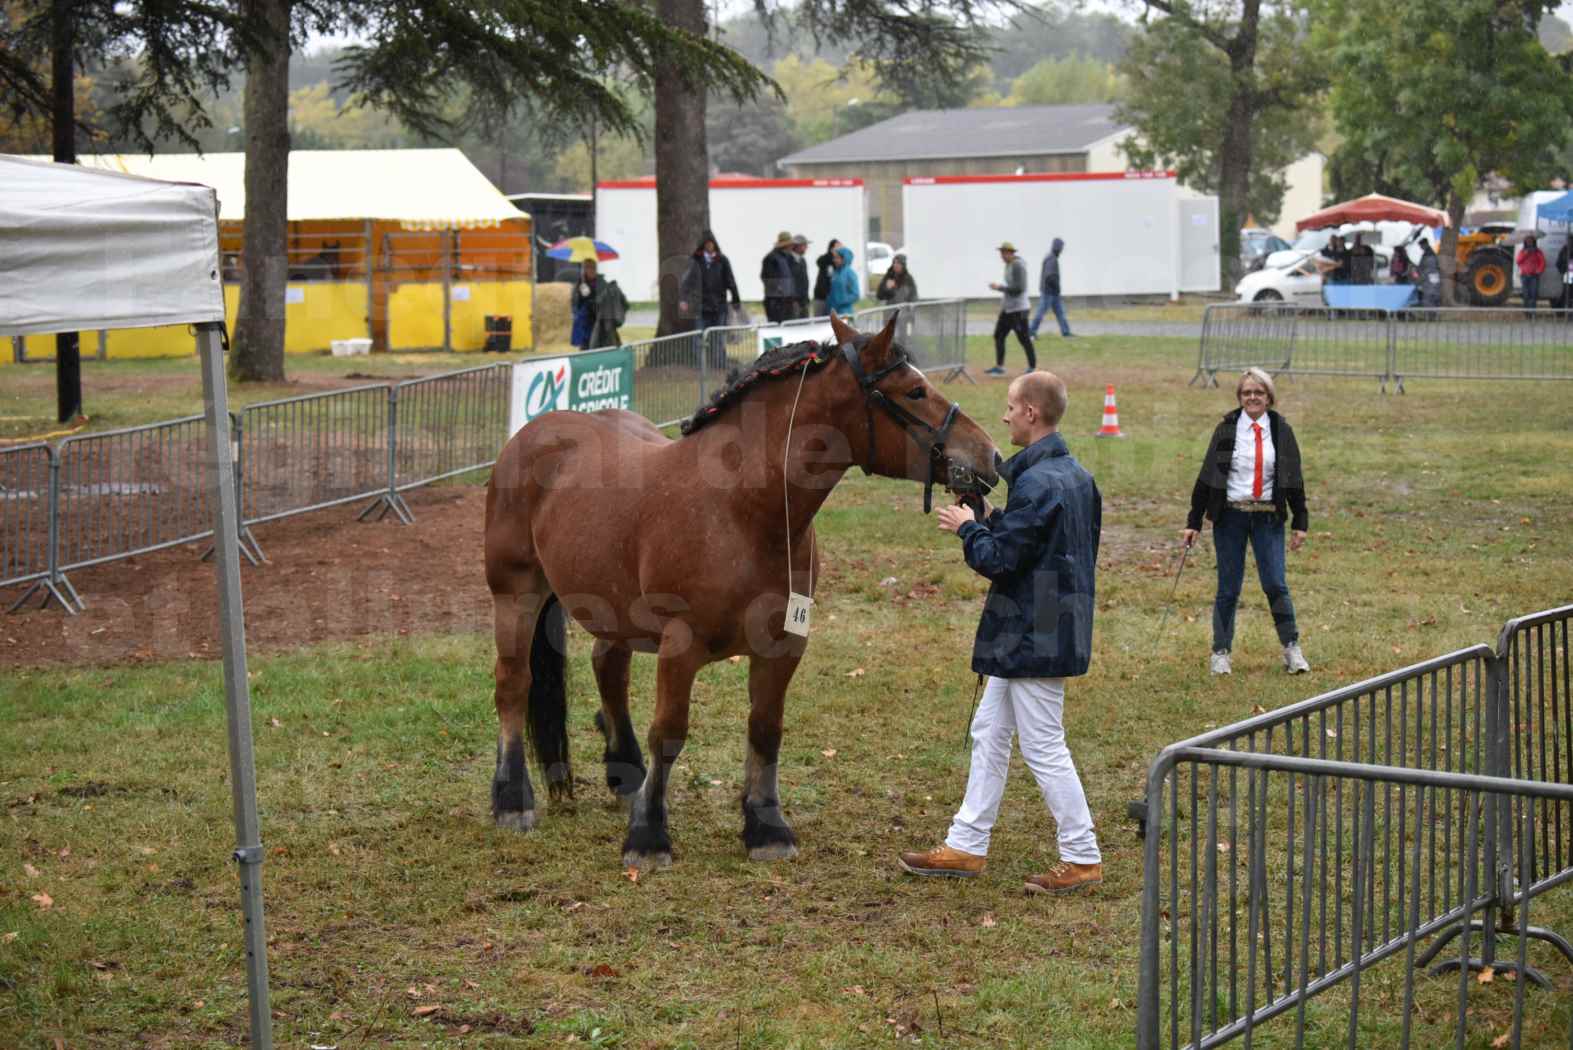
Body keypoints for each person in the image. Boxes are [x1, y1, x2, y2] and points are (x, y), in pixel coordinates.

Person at [898, 370, 1104, 895]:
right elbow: (1037, 543)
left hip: (1033, 635)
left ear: (1032, 414)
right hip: (1041, 629)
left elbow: (1001, 559)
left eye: (1012, 407)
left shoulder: (1037, 483)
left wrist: (966, 528)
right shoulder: (1073, 475)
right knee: (989, 732)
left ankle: (1082, 855)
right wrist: (990, 515)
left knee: (1043, 745)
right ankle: (967, 844)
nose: (1006, 415)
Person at [1184, 367, 1309, 676]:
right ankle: (1221, 652)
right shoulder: (1227, 429)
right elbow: (1207, 475)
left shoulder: (1281, 430)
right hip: (1230, 517)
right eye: (1246, 393)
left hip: (1268, 517)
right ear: (1240, 397)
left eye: (1259, 392)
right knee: (1228, 588)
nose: (1252, 398)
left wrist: (1300, 521)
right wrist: (1194, 521)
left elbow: (1294, 478)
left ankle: (1291, 648)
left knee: (1275, 584)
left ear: (1268, 397)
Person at [986, 241, 1036, 376]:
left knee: (1023, 338)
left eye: (1003, 253)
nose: (1001, 256)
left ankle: (1032, 367)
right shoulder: (1008, 265)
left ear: (1009, 253)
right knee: (999, 335)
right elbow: (1011, 287)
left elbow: (1020, 289)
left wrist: (999, 288)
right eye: (1000, 253)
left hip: (1019, 310)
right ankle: (999, 367)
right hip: (1008, 309)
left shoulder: (1019, 265)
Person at [679, 229, 741, 331]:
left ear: (714, 244)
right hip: (701, 307)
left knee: (717, 338)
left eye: (711, 243)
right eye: (706, 244)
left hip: (719, 307)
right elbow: (687, 281)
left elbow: (731, 281)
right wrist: (683, 299)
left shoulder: (722, 260)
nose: (709, 246)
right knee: (698, 337)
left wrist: (736, 301)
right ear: (703, 245)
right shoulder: (696, 261)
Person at [1030, 237, 1072, 339]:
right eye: (1061, 247)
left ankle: (1066, 333)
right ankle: (1030, 332)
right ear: (1057, 247)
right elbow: (1050, 277)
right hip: (1049, 292)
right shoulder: (1051, 259)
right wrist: (1057, 288)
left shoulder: (1051, 257)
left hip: (1053, 293)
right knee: (1040, 313)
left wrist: (1057, 290)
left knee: (1061, 313)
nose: (1062, 250)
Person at [760, 230, 797, 323]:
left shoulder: (786, 257)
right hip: (776, 303)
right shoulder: (770, 258)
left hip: (787, 301)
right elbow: (766, 278)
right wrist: (780, 291)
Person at [570, 258, 604, 351]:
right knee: (585, 344)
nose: (591, 270)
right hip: (585, 319)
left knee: (598, 343)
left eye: (593, 267)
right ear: (584, 269)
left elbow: (604, 298)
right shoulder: (580, 282)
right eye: (588, 267)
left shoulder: (601, 281)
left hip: (598, 317)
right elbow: (575, 301)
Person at [826, 244, 860, 315]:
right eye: (834, 258)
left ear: (844, 259)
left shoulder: (850, 273)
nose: (834, 260)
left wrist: (841, 301)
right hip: (833, 312)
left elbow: (855, 294)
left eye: (837, 258)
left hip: (845, 313)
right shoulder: (836, 273)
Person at [812, 238, 841, 317]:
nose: (840, 249)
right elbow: (819, 261)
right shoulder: (825, 260)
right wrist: (831, 254)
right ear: (831, 248)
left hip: (832, 298)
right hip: (820, 296)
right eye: (837, 247)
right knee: (819, 319)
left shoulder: (840, 265)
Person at [1518, 234, 1546, 312]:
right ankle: (1526, 311)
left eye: (1530, 241)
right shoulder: (1522, 251)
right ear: (1525, 242)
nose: (1529, 242)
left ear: (1534, 242)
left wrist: (1539, 270)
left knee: (1533, 295)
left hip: (1534, 276)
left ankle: (1532, 312)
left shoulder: (1538, 251)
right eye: (1527, 241)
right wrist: (1526, 254)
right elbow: (1518, 261)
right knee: (1525, 295)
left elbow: (1542, 262)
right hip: (1524, 275)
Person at [790, 234, 812, 318]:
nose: (806, 247)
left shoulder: (802, 260)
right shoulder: (788, 260)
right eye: (804, 245)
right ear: (796, 246)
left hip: (804, 301)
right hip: (794, 302)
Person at [1417, 238, 1442, 308]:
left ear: (1425, 244)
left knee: (1429, 298)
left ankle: (1431, 316)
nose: (1420, 247)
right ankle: (1435, 314)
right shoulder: (1431, 253)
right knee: (1435, 296)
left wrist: (1420, 279)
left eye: (1421, 246)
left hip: (1428, 279)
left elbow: (1427, 269)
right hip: (1434, 278)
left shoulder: (1428, 256)